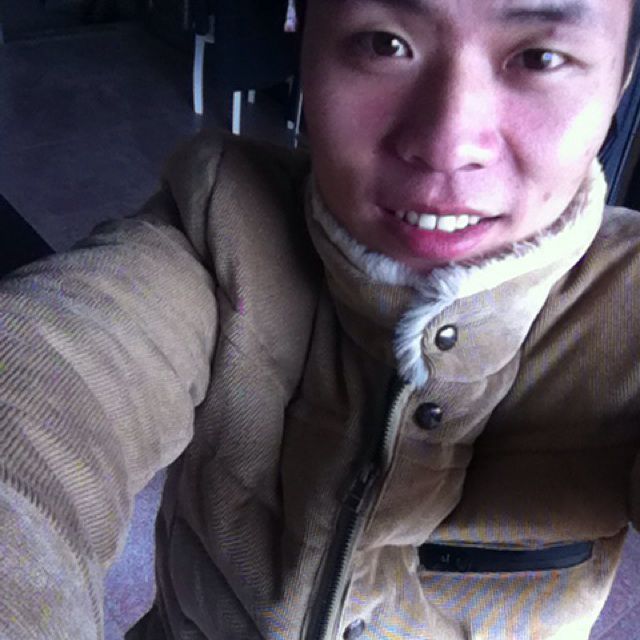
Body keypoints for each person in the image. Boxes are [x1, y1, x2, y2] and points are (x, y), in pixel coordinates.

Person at [1, 0, 640, 638]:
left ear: (622, 77)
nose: (446, 145)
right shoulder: (218, 222)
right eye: (384, 44)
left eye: (540, 58)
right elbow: (44, 397)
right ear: (302, 42)